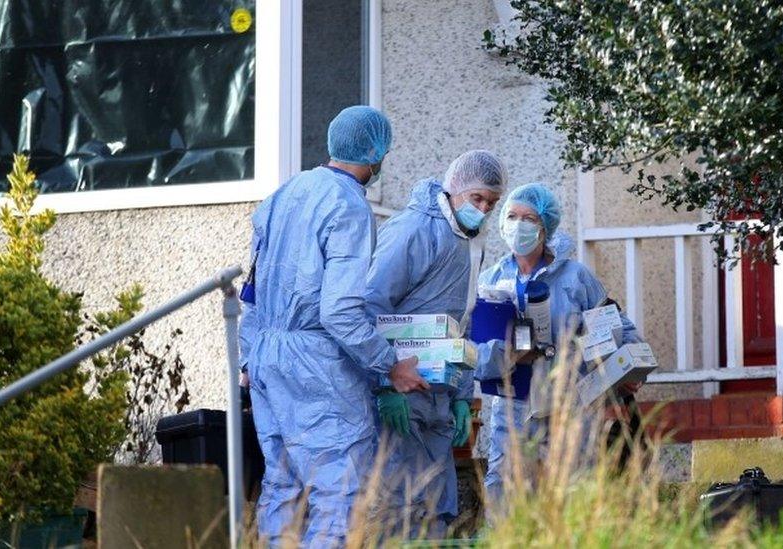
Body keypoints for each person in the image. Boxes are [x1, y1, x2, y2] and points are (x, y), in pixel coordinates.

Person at [239, 105, 428, 547]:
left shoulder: (281, 197)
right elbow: (340, 311)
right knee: (340, 491)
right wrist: (390, 365)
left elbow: (251, 291)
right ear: (376, 152)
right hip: (315, 368)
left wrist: (248, 358)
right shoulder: (348, 207)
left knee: (281, 486)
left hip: (266, 359)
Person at [473, 182, 645, 517]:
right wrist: (506, 354)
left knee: (573, 496)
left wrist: (627, 365)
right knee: (506, 499)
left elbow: (614, 325)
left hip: (570, 407)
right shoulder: (491, 281)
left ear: (545, 226)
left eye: (529, 218)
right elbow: (476, 355)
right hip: (513, 409)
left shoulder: (575, 277)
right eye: (512, 216)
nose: (518, 225)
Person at [365, 150, 507, 537]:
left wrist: (462, 394)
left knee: (436, 506)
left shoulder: (469, 243)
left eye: (491, 203)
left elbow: (461, 324)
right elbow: (372, 304)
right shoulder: (413, 229)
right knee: (396, 505)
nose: (483, 208)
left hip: (438, 394)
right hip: (401, 387)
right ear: (454, 188)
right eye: (477, 198)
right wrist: (384, 379)